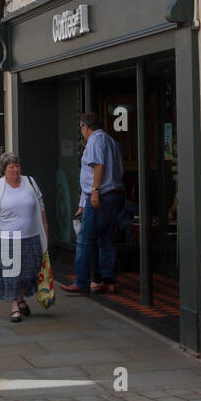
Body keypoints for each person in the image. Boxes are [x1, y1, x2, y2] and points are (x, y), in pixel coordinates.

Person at [0, 153, 49, 323]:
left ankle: (20, 298)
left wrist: (45, 227)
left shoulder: (30, 183)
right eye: (11, 167)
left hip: (31, 236)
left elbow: (40, 206)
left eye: (17, 166)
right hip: (6, 238)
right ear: (4, 170)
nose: (15, 170)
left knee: (28, 274)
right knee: (11, 274)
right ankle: (14, 306)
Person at [64, 112, 126, 295]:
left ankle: (82, 282)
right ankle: (107, 280)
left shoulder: (95, 140)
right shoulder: (111, 141)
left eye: (81, 128)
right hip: (114, 195)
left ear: (85, 127)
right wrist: (83, 204)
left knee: (84, 240)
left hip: (101, 195)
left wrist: (95, 192)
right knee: (106, 239)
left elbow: (98, 166)